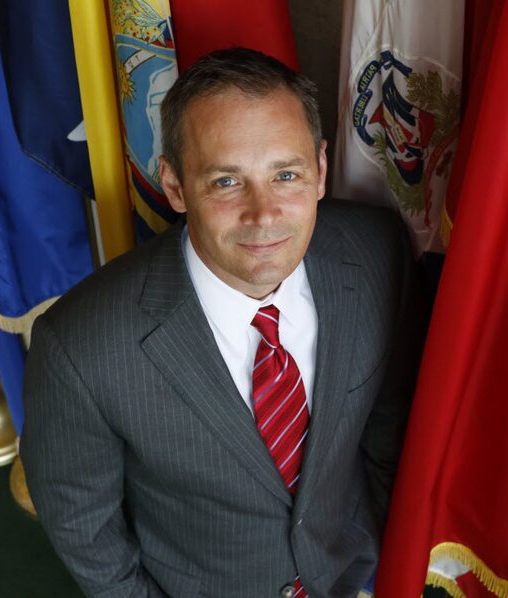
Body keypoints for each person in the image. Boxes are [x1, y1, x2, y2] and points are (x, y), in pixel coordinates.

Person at [21, 48, 422, 598]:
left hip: (350, 570)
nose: (264, 214)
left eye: (286, 174)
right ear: (176, 186)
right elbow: (82, 527)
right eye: (227, 182)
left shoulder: (379, 253)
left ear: (321, 169)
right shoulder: (80, 345)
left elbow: (390, 418)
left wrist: (373, 541)